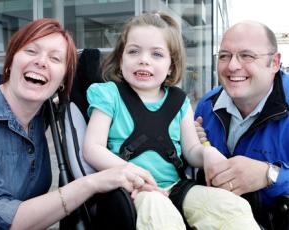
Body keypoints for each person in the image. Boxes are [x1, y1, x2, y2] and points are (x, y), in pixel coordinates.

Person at [83, 12, 259, 230]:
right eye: (133, 51)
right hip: (130, 188)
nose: (144, 59)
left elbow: (191, 150)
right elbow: (92, 148)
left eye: (156, 54)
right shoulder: (109, 95)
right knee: (158, 213)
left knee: (231, 207)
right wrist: (131, 172)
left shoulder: (178, 101)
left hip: (176, 186)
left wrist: (206, 152)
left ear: (171, 66)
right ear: (121, 60)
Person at [0, 18, 160, 230]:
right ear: (11, 60)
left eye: (55, 58)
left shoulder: (43, 111)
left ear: (62, 80)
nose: (42, 62)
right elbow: (1, 218)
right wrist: (93, 182)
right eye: (31, 51)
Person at [194, 21, 289, 227]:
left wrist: (269, 175)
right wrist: (193, 148)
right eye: (224, 56)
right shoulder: (206, 106)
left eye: (247, 56)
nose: (232, 66)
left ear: (274, 62)